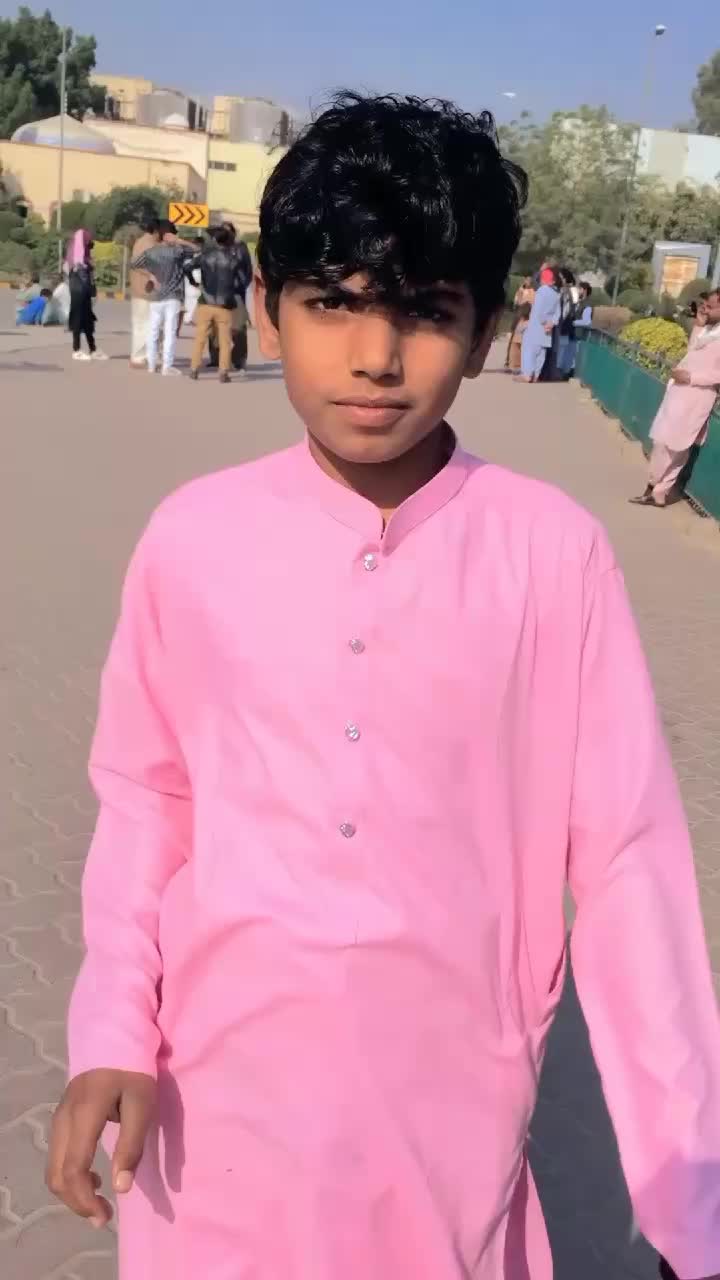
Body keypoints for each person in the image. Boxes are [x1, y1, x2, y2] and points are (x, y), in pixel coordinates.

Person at [46, 93, 720, 1280]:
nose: (374, 355)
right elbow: (147, 802)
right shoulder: (195, 537)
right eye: (333, 304)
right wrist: (112, 1029)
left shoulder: (550, 553)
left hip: (450, 1106)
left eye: (423, 311)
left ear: (488, 326)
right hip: (214, 1096)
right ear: (267, 304)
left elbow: (628, 865)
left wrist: (689, 1191)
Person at [630, 288, 720, 508]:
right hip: (680, 392)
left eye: (710, 307)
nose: (705, 309)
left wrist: (691, 378)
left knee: (676, 446)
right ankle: (656, 490)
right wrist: (698, 325)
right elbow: (692, 352)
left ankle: (655, 489)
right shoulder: (709, 330)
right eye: (705, 305)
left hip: (697, 396)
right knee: (664, 440)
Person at [129, 222, 196, 377]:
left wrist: (151, 275)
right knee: (168, 331)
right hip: (169, 296)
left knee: (152, 330)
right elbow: (196, 250)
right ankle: (165, 366)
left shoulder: (151, 250)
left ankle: (151, 364)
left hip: (155, 296)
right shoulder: (176, 251)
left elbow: (134, 263)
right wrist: (180, 241)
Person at [187, 225, 249, 382]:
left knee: (200, 337)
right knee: (225, 340)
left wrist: (194, 281)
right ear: (228, 241)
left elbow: (187, 267)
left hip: (206, 302)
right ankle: (223, 372)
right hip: (224, 304)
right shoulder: (233, 260)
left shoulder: (205, 256)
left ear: (214, 240)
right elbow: (242, 280)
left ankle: (194, 369)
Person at [207, 220, 253, 373]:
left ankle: (239, 360)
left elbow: (247, 271)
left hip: (236, 293)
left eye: (227, 231)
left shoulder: (240, 248)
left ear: (233, 233)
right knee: (214, 326)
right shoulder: (214, 248)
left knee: (238, 327)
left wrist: (240, 286)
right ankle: (215, 358)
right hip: (216, 293)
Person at [66, 229, 107, 362]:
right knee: (78, 320)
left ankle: (93, 349)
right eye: (87, 243)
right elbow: (84, 277)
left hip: (84, 293)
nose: (89, 246)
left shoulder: (83, 259)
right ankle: (76, 350)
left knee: (88, 321)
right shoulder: (77, 262)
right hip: (79, 292)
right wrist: (91, 289)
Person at [517, 264, 560, 381]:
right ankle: (536, 374)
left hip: (536, 326)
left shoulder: (541, 291)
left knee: (528, 350)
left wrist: (543, 322)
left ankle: (527, 374)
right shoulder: (556, 294)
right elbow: (558, 313)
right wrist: (551, 323)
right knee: (541, 352)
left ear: (542, 279)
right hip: (548, 329)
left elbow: (538, 310)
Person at [129, 218, 160, 369]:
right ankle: (139, 357)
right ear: (156, 230)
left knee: (143, 324)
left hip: (140, 290)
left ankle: (144, 355)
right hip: (145, 290)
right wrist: (152, 275)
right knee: (144, 324)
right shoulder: (149, 244)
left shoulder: (141, 242)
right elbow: (139, 264)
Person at [504, 275, 535, 369]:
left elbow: (533, 303)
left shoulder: (533, 292)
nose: (527, 282)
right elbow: (516, 302)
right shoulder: (520, 290)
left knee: (523, 340)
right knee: (513, 338)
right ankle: (509, 361)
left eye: (529, 281)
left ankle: (521, 362)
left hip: (528, 316)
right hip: (519, 315)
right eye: (526, 280)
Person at [507, 299, 530, 371]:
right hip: (522, 338)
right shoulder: (529, 321)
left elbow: (513, 328)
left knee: (514, 350)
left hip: (517, 337)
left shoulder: (518, 318)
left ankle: (513, 365)